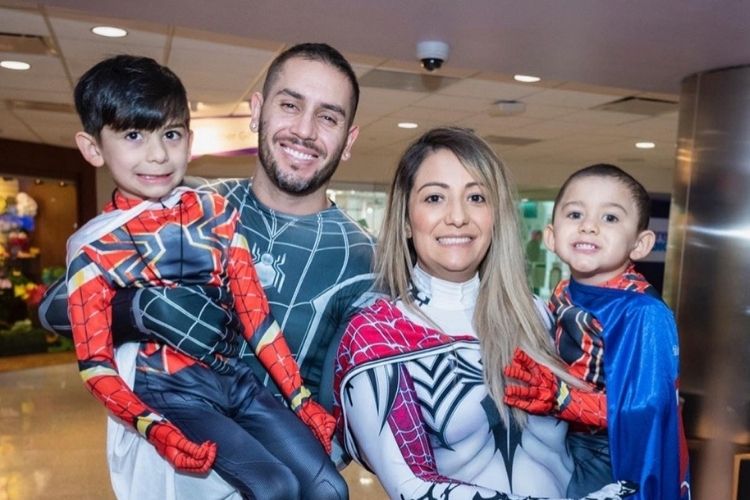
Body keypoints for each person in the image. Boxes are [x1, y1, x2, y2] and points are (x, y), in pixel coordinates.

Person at [39, 43, 375, 498]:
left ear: (349, 139)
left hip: (285, 447)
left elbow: (360, 384)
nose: (304, 130)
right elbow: (57, 310)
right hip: (181, 456)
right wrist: (137, 308)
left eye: (328, 117)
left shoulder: (365, 256)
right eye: (290, 105)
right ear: (257, 111)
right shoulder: (189, 204)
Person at [333, 128, 635, 499]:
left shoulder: (540, 317)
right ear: (407, 220)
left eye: (476, 197)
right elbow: (412, 487)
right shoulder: (378, 334)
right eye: (435, 198)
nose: (458, 217)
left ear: (496, 216)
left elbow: (605, 437)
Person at [503, 164, 690, 499]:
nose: (588, 226)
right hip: (560, 435)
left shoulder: (641, 312)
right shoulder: (564, 292)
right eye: (575, 214)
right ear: (551, 236)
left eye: (610, 218)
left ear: (641, 243)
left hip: (608, 454)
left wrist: (561, 397)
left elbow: (644, 409)